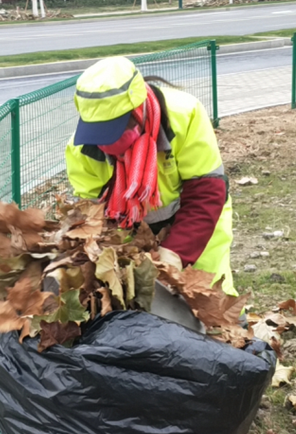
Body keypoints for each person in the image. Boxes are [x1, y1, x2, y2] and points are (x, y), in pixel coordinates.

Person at [66, 56, 235, 294]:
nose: (107, 143)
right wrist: (125, 256)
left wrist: (175, 253)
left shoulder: (184, 115)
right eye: (100, 133)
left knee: (210, 293)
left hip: (196, 219)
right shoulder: (81, 148)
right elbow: (96, 217)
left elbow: (206, 192)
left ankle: (235, 327)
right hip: (131, 228)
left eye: (115, 129)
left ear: (138, 110)